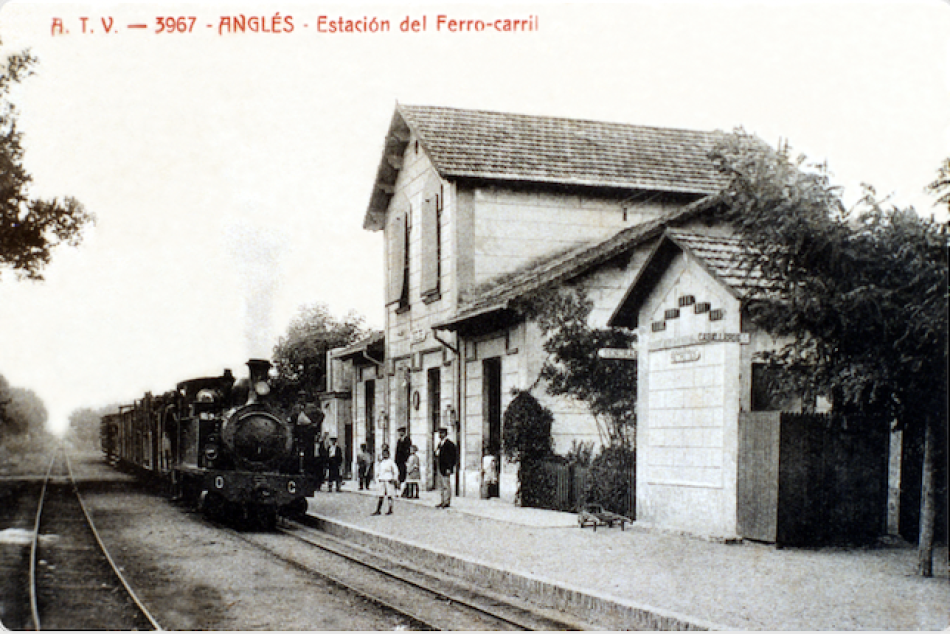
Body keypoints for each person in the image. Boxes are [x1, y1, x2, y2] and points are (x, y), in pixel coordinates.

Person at [434, 427, 457, 508]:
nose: (440, 435)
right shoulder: (440, 444)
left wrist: (449, 468)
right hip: (440, 467)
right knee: (441, 485)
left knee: (446, 485)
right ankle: (443, 500)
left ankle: (447, 501)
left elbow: (453, 457)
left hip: (446, 468)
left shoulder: (449, 444)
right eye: (439, 433)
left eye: (441, 433)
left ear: (445, 434)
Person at [372, 447, 398, 515]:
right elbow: (378, 471)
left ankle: (390, 509)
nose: (384, 455)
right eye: (383, 454)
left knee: (389, 495)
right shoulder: (381, 462)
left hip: (389, 479)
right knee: (381, 495)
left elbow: (395, 471)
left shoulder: (391, 462)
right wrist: (376, 478)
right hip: (381, 479)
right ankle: (378, 510)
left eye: (386, 454)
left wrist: (394, 479)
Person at [394, 427, 412, 496]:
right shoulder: (399, 440)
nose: (400, 433)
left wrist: (407, 460)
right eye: (399, 432)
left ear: (404, 432)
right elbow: (397, 451)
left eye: (401, 432)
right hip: (399, 461)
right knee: (400, 476)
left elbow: (408, 451)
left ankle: (406, 491)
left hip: (404, 461)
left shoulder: (407, 440)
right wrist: (396, 461)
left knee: (405, 476)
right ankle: (401, 491)